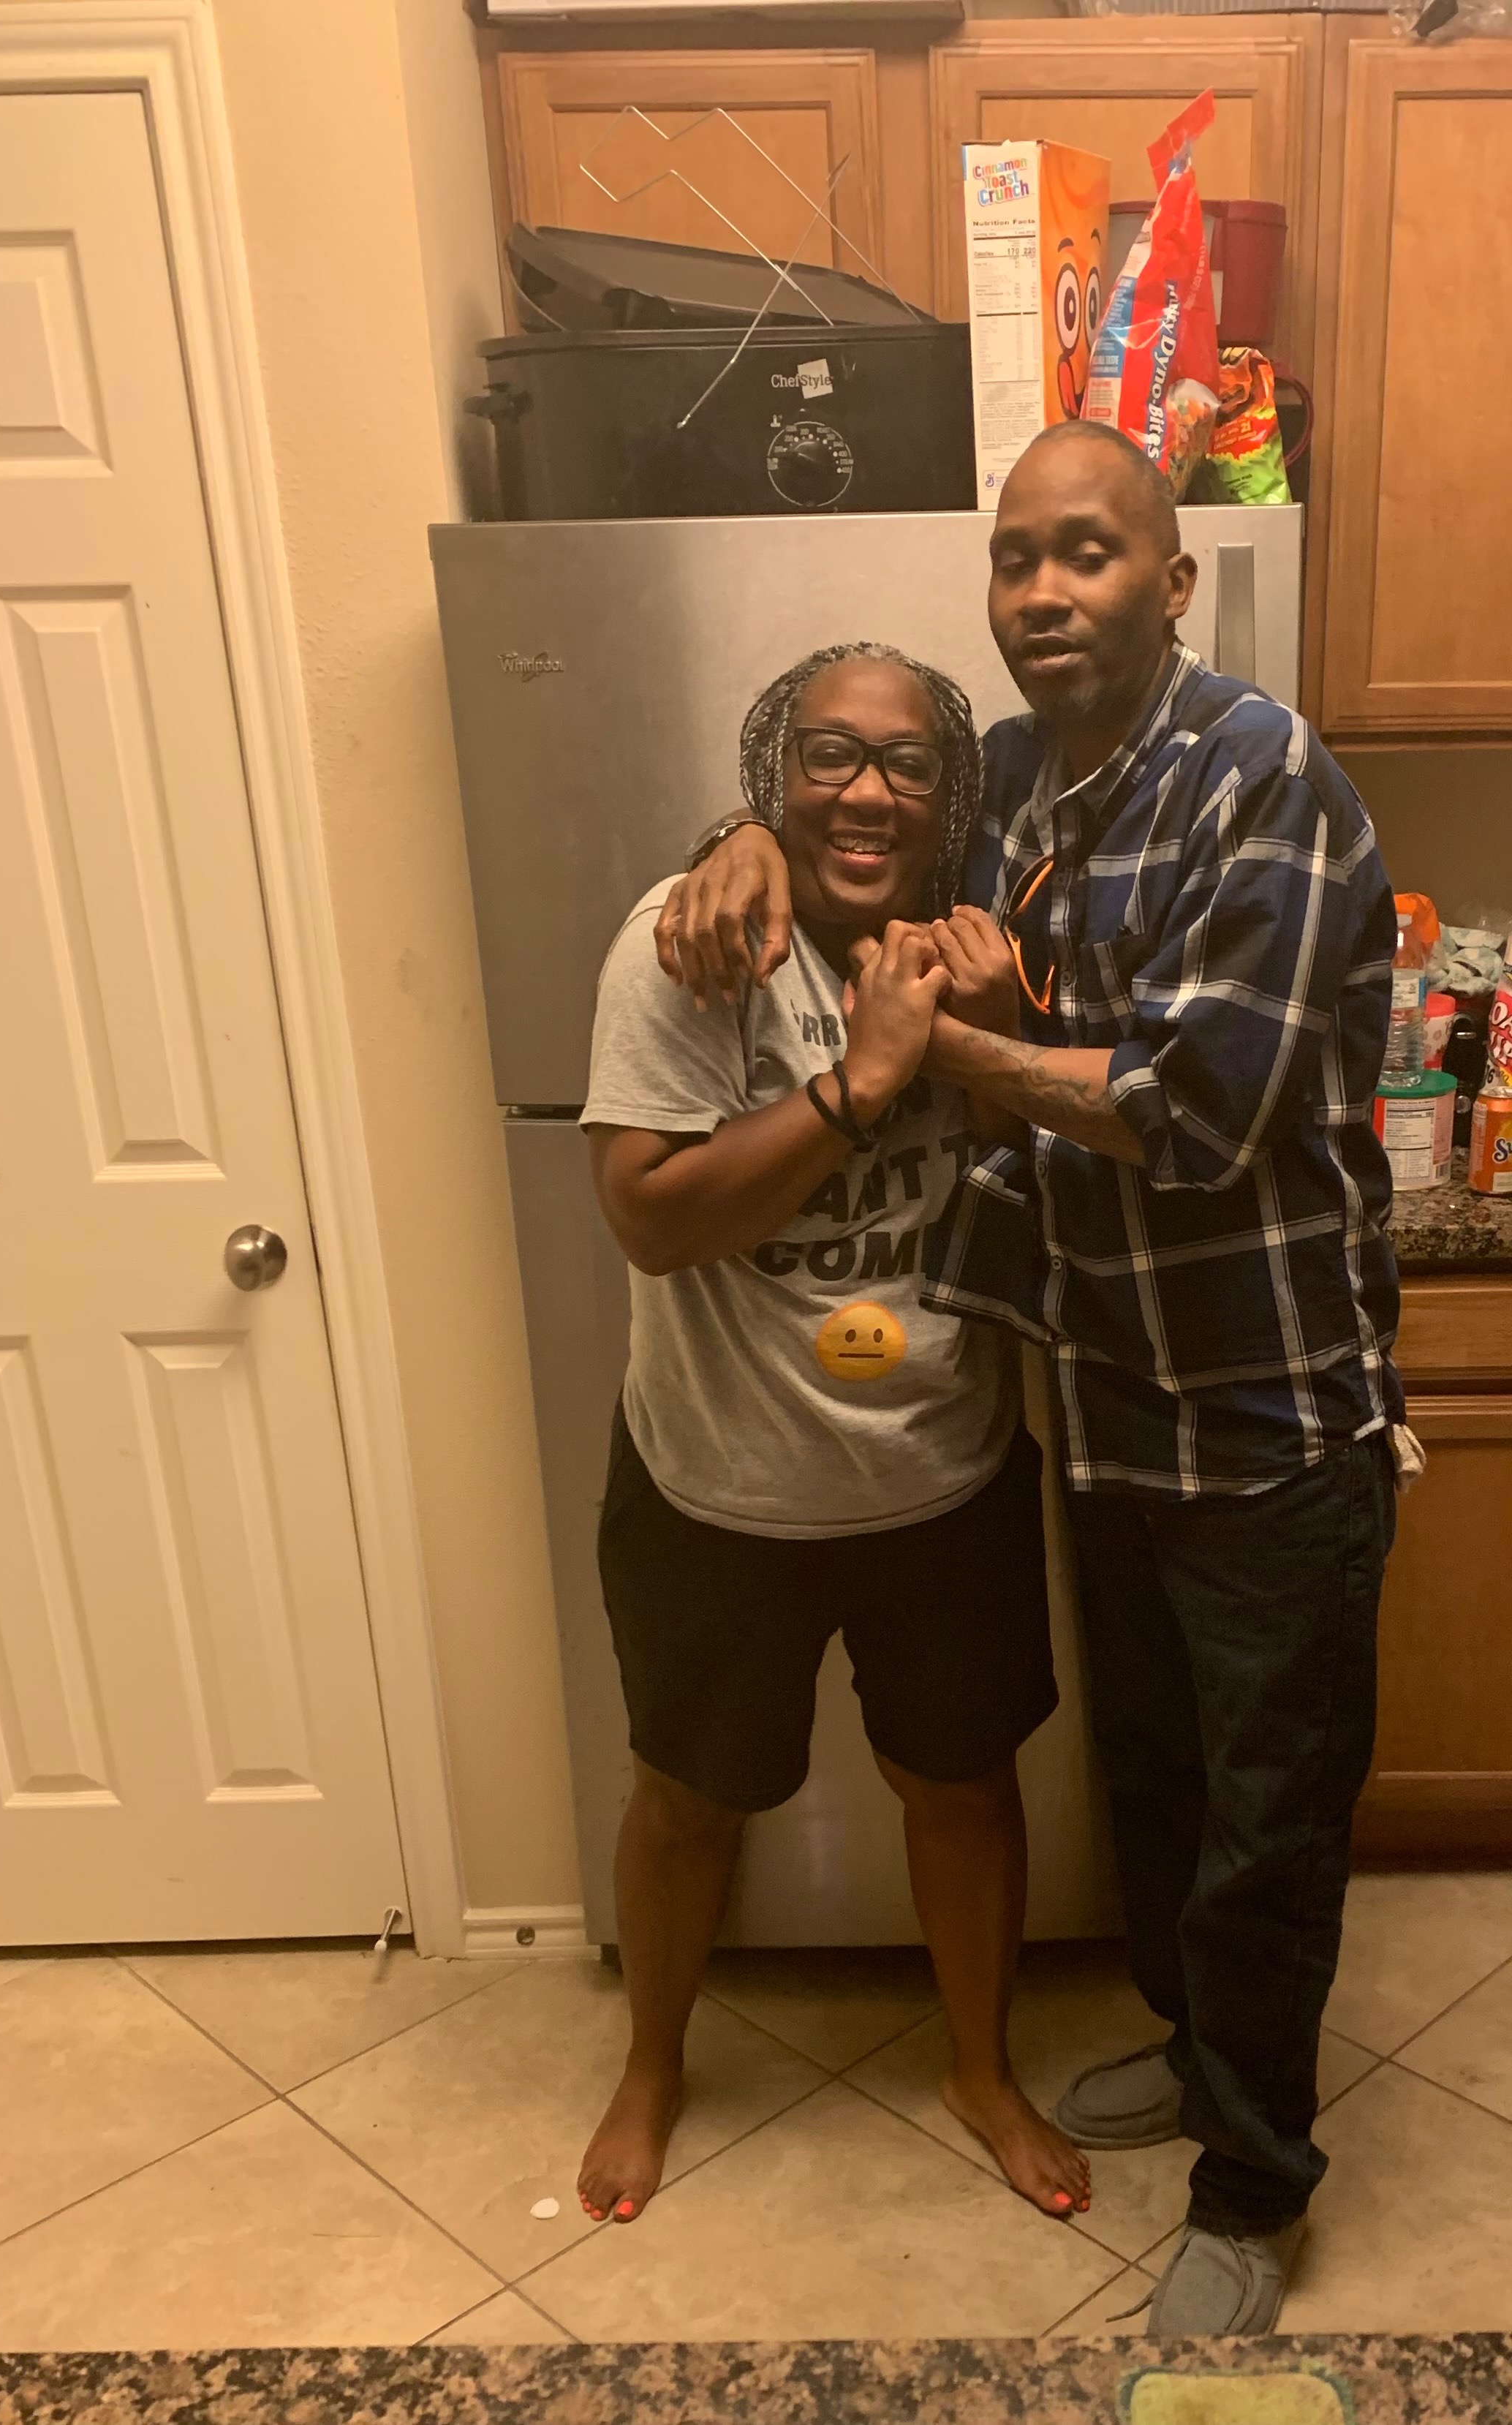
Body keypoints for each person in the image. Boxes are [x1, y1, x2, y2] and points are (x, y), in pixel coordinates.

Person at [652, 421, 1402, 2336]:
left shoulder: (1261, 777)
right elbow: (854, 836)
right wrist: (738, 838)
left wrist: (948, 1054)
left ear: (1175, 580)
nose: (1043, 591)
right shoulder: (1008, 783)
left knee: (1264, 1824)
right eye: (1015, 558)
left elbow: (1197, 1111)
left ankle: (1253, 2181)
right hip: (1106, 1399)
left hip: (1270, 1417)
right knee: (1152, 1786)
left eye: (1087, 553)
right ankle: (1195, 2045)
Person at [578, 641, 1091, 2233]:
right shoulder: (687, 941)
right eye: (827, 756)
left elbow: (1046, 1193)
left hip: (942, 1471)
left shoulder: (981, 941)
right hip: (714, 1483)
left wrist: (991, 1046)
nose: (867, 791)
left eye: (906, 763)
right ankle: (652, 2064)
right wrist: (859, 1088)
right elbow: (650, 1223)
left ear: (952, 796)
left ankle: (980, 2069)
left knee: (962, 1785)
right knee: (685, 1798)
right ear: (772, 776)